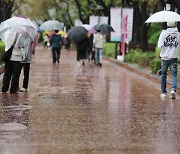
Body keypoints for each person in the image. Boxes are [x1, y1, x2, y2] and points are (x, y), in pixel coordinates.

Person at [158, 21, 180, 99]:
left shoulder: (163, 33)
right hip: (173, 58)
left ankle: (164, 92)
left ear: (167, 25)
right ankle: (173, 90)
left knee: (163, 75)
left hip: (164, 58)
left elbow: (159, 45)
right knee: (174, 75)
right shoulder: (178, 34)